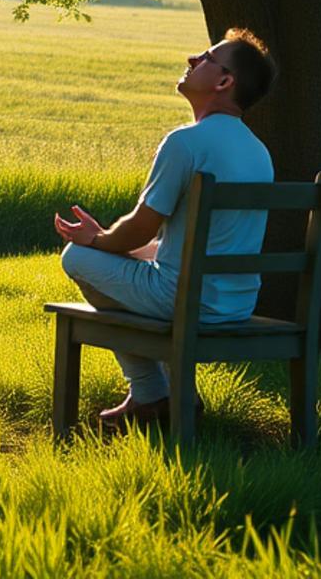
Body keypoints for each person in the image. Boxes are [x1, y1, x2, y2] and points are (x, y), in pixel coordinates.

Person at [53, 27, 278, 431]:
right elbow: (182, 243)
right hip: (237, 302)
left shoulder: (185, 143)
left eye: (207, 58)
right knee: (108, 256)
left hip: (186, 299)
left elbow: (141, 228)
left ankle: (151, 394)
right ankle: (165, 397)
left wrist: (97, 241)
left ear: (225, 82)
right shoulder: (258, 151)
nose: (193, 60)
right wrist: (109, 243)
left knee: (76, 258)